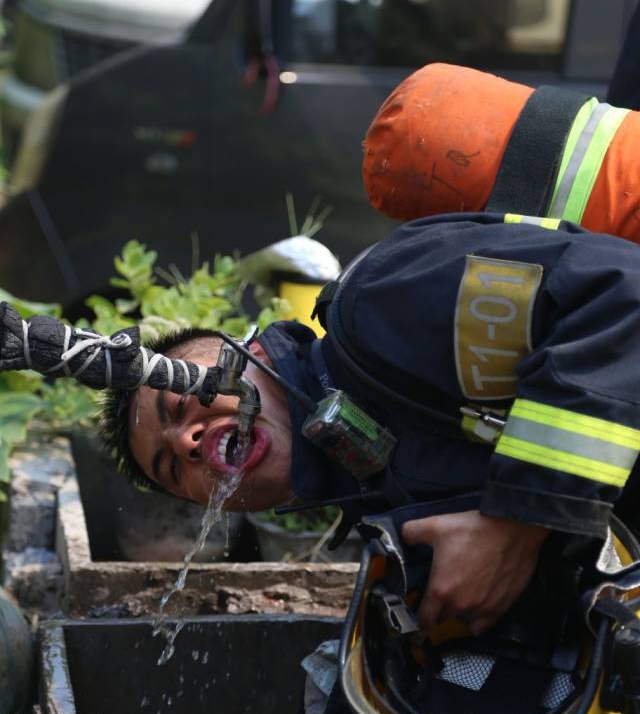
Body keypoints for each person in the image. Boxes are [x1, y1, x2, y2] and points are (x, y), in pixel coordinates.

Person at [101, 209, 640, 638]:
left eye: (182, 404)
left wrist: (517, 521)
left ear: (255, 352)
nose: (188, 441)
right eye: (173, 467)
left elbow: (623, 297)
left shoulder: (384, 303)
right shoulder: (384, 506)